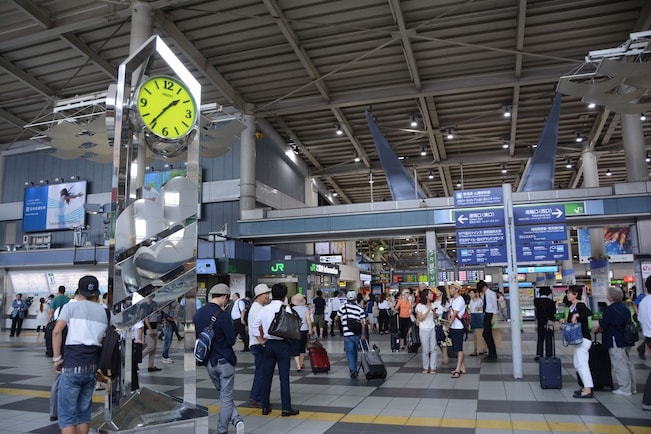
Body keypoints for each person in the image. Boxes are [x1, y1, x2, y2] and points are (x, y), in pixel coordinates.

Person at [52, 275, 108, 434]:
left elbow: (57, 332)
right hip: (91, 368)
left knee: (68, 417)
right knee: (83, 415)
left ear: (80, 291)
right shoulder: (105, 313)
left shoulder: (71, 307)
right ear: (96, 292)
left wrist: (57, 359)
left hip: (71, 365)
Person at [194, 283, 244, 434]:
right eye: (227, 298)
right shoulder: (223, 315)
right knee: (226, 397)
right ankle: (222, 430)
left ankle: (236, 419)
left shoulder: (199, 313)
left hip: (209, 362)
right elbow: (231, 341)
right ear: (224, 297)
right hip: (225, 362)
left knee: (224, 395)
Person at [249, 283, 299, 417]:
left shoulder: (264, 309)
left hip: (268, 345)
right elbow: (293, 327)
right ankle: (286, 409)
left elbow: (254, 327)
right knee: (284, 378)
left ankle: (265, 407)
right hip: (282, 345)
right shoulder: (286, 309)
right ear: (284, 296)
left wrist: (261, 340)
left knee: (266, 377)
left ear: (272, 294)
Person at [595, 286, 636, 396]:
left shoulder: (610, 309)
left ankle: (624, 388)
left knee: (619, 363)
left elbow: (603, 325)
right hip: (626, 339)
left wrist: (597, 330)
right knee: (628, 363)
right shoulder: (624, 308)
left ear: (610, 297)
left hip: (615, 339)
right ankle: (632, 387)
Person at [564, 285, 594, 398]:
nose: (567, 295)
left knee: (582, 364)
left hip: (583, 339)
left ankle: (587, 389)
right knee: (578, 364)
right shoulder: (572, 306)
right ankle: (585, 386)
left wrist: (577, 315)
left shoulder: (580, 305)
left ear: (576, 294)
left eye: (569, 293)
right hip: (578, 340)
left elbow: (588, 313)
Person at [247, 283, 271, 408]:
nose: (268, 296)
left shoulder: (259, 307)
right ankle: (256, 398)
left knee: (261, 371)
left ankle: (257, 396)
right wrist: (261, 340)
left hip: (257, 343)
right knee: (261, 371)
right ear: (259, 296)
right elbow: (257, 326)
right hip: (258, 344)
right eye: (265, 294)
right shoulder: (257, 308)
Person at [337, 290, 366, 378]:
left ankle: (352, 370)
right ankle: (354, 368)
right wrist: (362, 334)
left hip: (347, 334)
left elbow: (336, 317)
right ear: (355, 299)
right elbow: (363, 323)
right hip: (357, 333)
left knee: (350, 352)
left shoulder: (342, 307)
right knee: (355, 351)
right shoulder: (360, 309)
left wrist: (338, 322)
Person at [447, 282, 466, 378]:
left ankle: (458, 369)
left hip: (458, 327)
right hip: (454, 326)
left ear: (457, 290)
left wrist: (448, 325)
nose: (450, 290)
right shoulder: (452, 300)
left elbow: (454, 315)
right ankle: (462, 367)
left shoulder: (459, 300)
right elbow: (450, 312)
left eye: (451, 288)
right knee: (456, 348)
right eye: (449, 288)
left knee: (459, 349)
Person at [415, 288, 437, 374]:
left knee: (433, 348)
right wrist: (428, 311)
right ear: (426, 296)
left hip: (432, 328)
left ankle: (433, 367)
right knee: (425, 349)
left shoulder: (433, 304)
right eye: (430, 294)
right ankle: (425, 367)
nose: (432, 295)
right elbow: (420, 318)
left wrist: (434, 312)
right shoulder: (420, 306)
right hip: (423, 329)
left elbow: (434, 317)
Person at [290, 293, 312, 371]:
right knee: (302, 347)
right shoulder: (305, 309)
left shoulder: (292, 309)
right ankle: (302, 363)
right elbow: (308, 319)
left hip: (294, 331)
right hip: (304, 330)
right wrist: (310, 329)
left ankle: (298, 365)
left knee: (295, 347)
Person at [638, 275, 651, 411]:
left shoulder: (643, 302)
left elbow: (641, 320)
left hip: (648, 338)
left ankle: (647, 401)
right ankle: (647, 401)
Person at [534, 286, 556, 360]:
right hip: (549, 322)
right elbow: (553, 312)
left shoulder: (536, 301)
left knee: (540, 338)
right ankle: (549, 354)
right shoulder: (551, 302)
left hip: (540, 322)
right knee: (549, 338)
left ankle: (539, 354)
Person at [478, 280, 498, 362]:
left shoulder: (491, 294)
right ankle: (492, 353)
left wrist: (494, 317)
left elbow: (495, 306)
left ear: (484, 287)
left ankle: (492, 353)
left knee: (486, 334)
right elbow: (484, 304)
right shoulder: (484, 295)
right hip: (486, 314)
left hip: (490, 315)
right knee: (488, 334)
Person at [142, 296, 161, 372]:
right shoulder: (145, 305)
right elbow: (146, 319)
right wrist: (150, 329)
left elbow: (157, 314)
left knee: (154, 349)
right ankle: (138, 358)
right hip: (149, 328)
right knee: (151, 346)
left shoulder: (155, 304)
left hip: (155, 326)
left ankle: (151, 365)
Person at [433, 285, 450, 364]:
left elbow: (448, 312)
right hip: (436, 322)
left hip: (443, 321)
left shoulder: (445, 302)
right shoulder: (435, 302)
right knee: (438, 339)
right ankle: (444, 354)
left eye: (438, 291)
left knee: (444, 339)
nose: (436, 292)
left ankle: (445, 355)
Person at [468, 287, 486, 357]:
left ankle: (481, 349)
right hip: (473, 316)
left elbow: (479, 308)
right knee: (475, 334)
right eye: (470, 293)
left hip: (478, 316)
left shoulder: (480, 301)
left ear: (475, 293)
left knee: (479, 334)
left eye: (472, 293)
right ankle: (478, 349)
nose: (470, 294)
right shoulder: (471, 301)